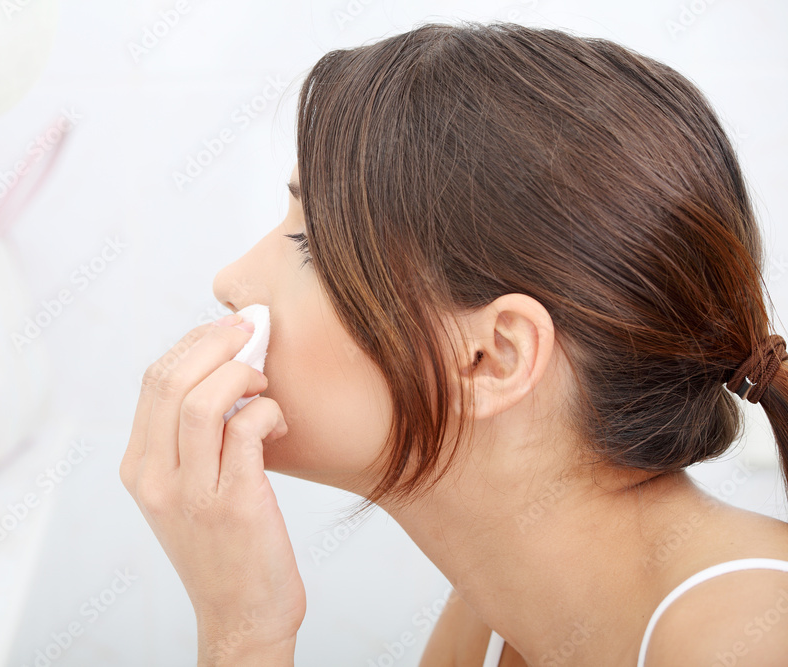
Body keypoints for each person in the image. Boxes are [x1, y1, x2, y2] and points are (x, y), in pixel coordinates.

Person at [120, 22, 788, 666]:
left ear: (492, 357)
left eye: (310, 244)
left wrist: (245, 638)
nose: (229, 280)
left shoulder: (753, 641)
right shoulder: (499, 620)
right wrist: (246, 627)